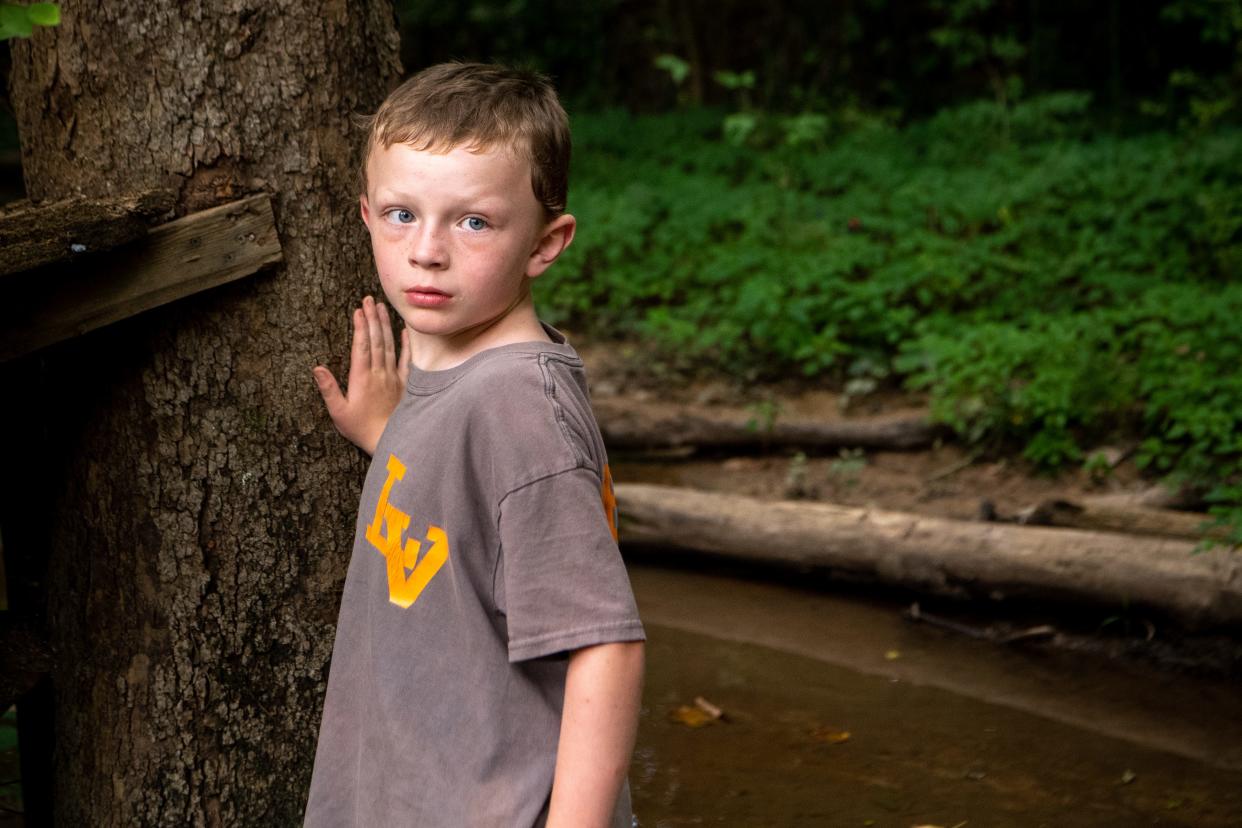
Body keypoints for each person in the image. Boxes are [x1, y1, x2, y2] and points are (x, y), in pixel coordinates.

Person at [303, 62, 646, 827]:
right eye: (400, 214)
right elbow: (465, 530)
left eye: (474, 222)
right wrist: (390, 437)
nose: (426, 250)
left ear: (546, 243)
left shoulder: (515, 405)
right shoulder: (474, 389)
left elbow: (607, 648)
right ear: (364, 215)